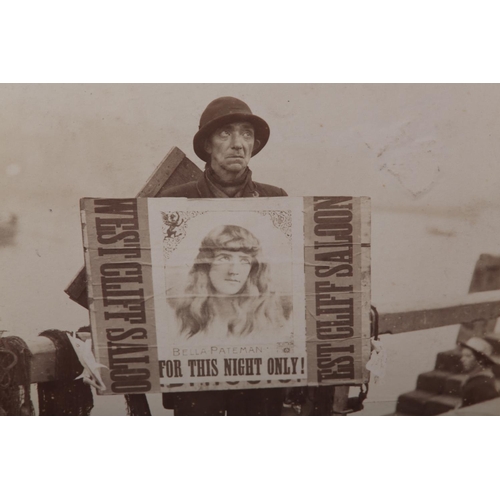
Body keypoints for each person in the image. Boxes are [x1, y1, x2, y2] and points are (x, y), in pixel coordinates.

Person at [162, 96, 290, 415]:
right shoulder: (173, 201)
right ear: (207, 144)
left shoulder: (276, 199)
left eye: (246, 134)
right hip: (194, 377)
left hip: (261, 378)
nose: (238, 144)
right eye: (225, 134)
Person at [168, 224, 292, 342]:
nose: (234, 271)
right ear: (207, 265)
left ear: (252, 270)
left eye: (244, 260)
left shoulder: (269, 322)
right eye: (224, 258)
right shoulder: (178, 321)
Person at [459, 336, 499, 408]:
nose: (462, 359)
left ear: (481, 360)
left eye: (468, 356)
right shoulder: (474, 379)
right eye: (462, 355)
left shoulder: (483, 385)